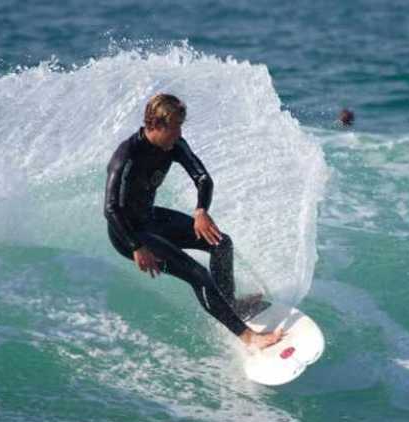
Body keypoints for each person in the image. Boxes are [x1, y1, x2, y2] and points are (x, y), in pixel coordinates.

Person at [104, 93, 282, 349]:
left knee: (221, 243)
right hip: (127, 234)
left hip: (150, 218)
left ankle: (229, 305)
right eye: (174, 127)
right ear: (155, 125)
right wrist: (136, 247)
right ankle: (249, 338)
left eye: (180, 127)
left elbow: (203, 179)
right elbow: (111, 210)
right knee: (197, 274)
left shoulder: (174, 145)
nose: (179, 134)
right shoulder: (126, 156)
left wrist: (201, 210)